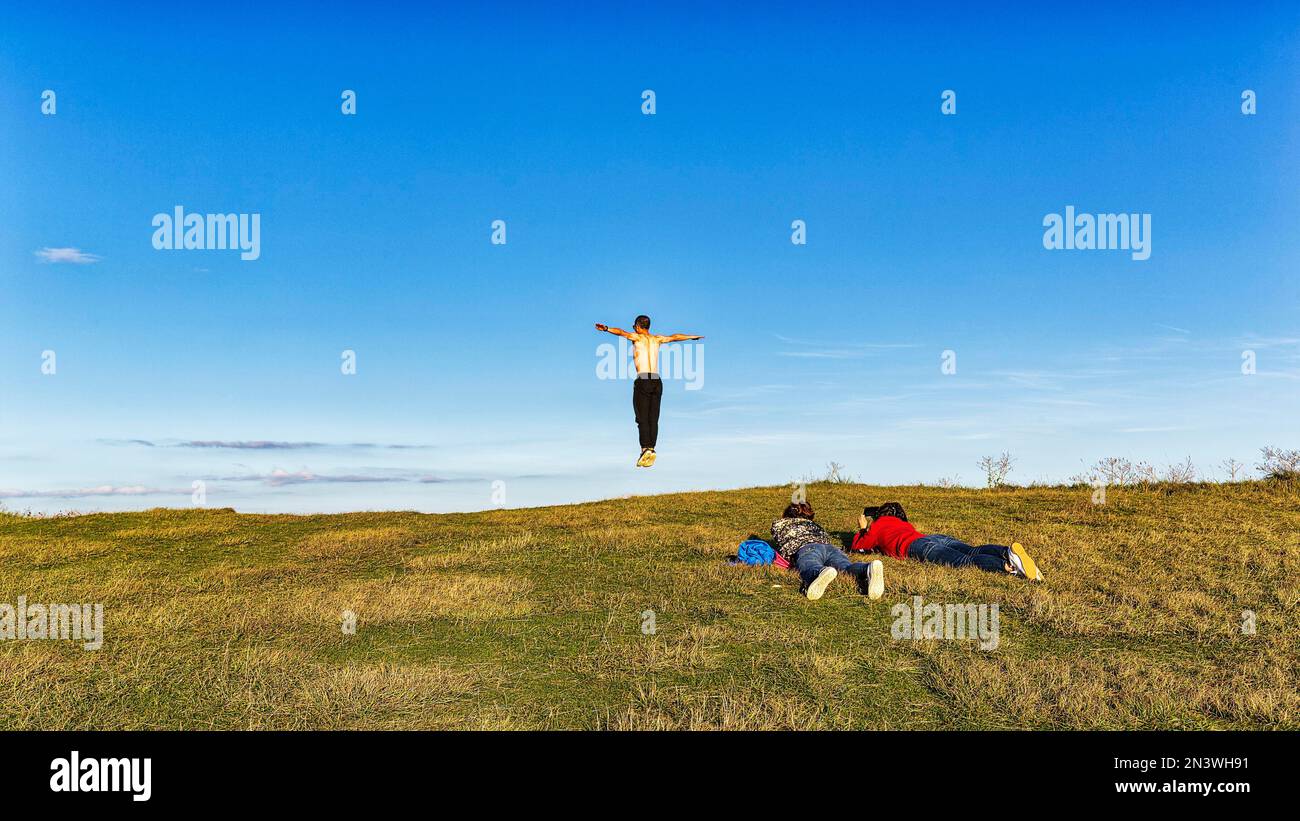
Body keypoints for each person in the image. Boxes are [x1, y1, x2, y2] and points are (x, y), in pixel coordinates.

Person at [595, 316, 703, 467]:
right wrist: (692, 337)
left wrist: (606, 329)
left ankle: (645, 448)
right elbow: (675, 337)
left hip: (644, 380)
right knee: (653, 417)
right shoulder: (657, 339)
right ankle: (651, 448)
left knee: (642, 417)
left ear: (638, 326)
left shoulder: (637, 337)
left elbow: (620, 332)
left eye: (634, 326)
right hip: (657, 381)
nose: (633, 329)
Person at [851, 504, 1044, 581]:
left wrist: (863, 527)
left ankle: (1007, 566)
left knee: (964, 562)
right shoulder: (902, 523)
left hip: (917, 547)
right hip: (931, 537)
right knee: (972, 551)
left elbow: (859, 547)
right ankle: (1007, 551)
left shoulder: (878, 524)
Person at [771, 501, 884, 600]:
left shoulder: (780, 524)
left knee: (810, 565)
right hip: (830, 548)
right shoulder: (815, 525)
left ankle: (819, 572)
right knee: (846, 567)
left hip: (807, 548)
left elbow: (781, 544)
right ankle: (867, 568)